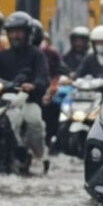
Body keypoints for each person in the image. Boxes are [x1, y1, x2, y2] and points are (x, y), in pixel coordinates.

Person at [0, 11, 50, 174]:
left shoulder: (37, 55)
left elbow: (43, 77)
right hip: (2, 101)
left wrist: (34, 85)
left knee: (34, 121)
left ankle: (38, 154)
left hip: (28, 100)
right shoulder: (2, 55)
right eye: (12, 31)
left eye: (19, 31)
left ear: (27, 34)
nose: (15, 35)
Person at [31, 18, 68, 148]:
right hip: (21, 92)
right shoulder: (9, 53)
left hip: (43, 89)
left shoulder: (49, 54)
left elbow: (56, 73)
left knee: (52, 107)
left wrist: (49, 90)